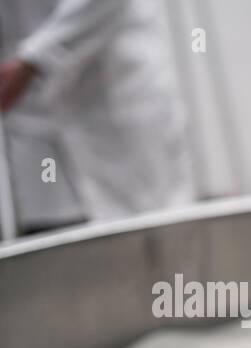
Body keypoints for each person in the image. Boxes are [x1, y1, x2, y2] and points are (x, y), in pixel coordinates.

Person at [0, 0, 196, 231]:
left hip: (113, 94)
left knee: (151, 236)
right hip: (29, 117)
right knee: (54, 239)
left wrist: (32, 61)